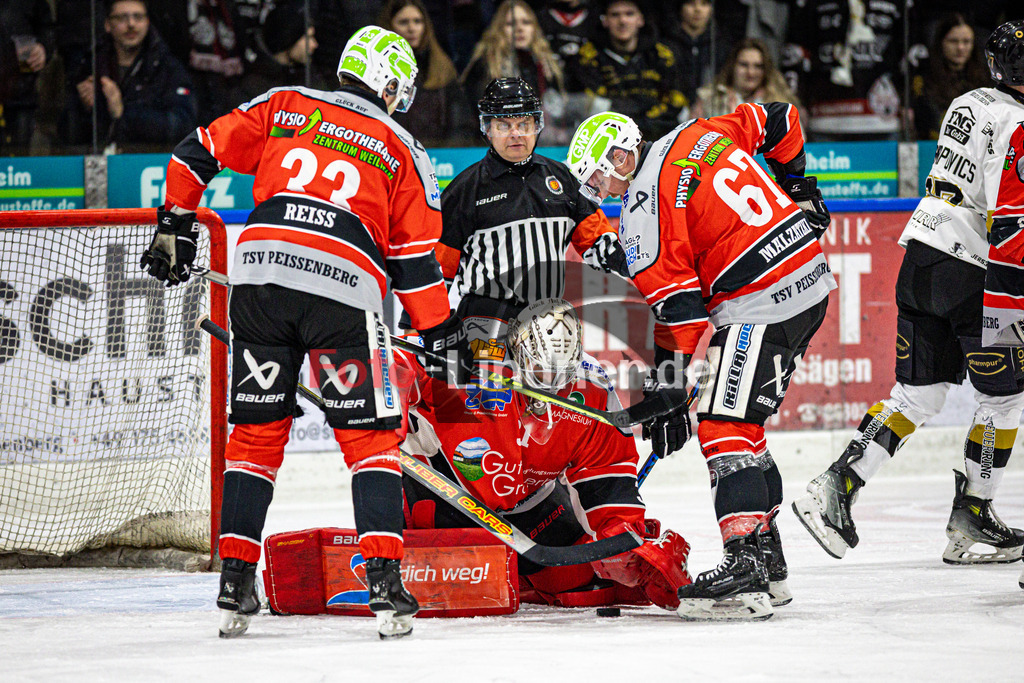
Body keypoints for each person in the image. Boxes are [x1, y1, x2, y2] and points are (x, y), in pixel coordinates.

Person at [138, 25, 470, 640]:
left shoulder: (285, 102)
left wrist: (175, 224)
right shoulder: (404, 147)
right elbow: (416, 268)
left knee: (257, 436)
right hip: (344, 296)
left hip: (259, 282)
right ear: (392, 85)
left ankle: (235, 582)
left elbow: (193, 151)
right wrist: (444, 334)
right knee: (371, 440)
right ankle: (384, 585)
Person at [566, 104, 834, 620]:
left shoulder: (643, 207)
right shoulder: (699, 131)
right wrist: (798, 185)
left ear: (623, 154)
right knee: (744, 424)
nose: (601, 188)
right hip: (807, 276)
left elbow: (680, 316)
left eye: (600, 173)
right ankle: (768, 562)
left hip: (762, 298)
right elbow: (779, 116)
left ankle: (745, 567)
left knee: (722, 423)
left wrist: (664, 390)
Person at [792, 21, 1024, 569]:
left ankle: (835, 486)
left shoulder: (968, 101)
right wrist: (1012, 301)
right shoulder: (1018, 121)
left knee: (919, 394)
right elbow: (1010, 218)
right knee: (1003, 397)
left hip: (922, 253)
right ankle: (974, 511)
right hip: (974, 270)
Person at [399, 298, 694, 610]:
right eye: (540, 370)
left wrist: (620, 535)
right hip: (442, 497)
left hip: (531, 509)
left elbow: (606, 469)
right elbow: (396, 357)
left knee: (583, 584)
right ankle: (390, 550)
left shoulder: (590, 386)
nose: (551, 385)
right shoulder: (472, 362)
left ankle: (523, 575)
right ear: (517, 352)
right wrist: (391, 392)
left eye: (561, 373)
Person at [434, 76, 627, 360]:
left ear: (537, 125)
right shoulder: (464, 189)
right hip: (484, 319)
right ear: (487, 128)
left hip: (548, 321)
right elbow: (437, 273)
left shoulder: (561, 178)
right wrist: (427, 330)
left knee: (586, 392)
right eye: (504, 125)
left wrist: (645, 271)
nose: (516, 134)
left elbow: (600, 242)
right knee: (490, 400)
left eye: (523, 124)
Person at [62, 0, 196, 150]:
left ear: (147, 22)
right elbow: (65, 133)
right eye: (121, 18)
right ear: (107, 24)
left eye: (138, 17)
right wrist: (85, 107)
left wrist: (123, 113)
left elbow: (183, 125)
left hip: (150, 164)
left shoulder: (167, 67)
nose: (131, 24)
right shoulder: (90, 64)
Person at [574, 0, 687, 140]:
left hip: (659, 137)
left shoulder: (661, 55)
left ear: (640, 20)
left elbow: (677, 102)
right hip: (608, 139)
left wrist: (648, 120)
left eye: (629, 14)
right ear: (605, 21)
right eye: (615, 15)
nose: (623, 21)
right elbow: (590, 106)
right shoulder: (588, 56)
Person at [460, 0, 567, 137]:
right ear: (499, 29)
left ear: (535, 27)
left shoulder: (547, 65)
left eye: (526, 22)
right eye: (511, 24)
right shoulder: (485, 65)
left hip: (545, 141)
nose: (519, 29)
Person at [381, 0, 473, 147]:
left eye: (417, 21)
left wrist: (446, 153)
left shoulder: (442, 67)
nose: (412, 28)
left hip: (440, 160)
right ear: (389, 26)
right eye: (404, 22)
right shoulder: (377, 71)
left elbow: (461, 124)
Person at [910, 13, 989, 141]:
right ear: (941, 42)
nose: (960, 48)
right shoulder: (923, 77)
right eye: (953, 41)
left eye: (966, 42)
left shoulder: (985, 77)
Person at [690, 38, 801, 120]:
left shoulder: (781, 103)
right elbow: (691, 136)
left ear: (766, 70)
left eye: (758, 66)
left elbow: (798, 140)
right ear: (732, 66)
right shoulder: (709, 97)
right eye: (744, 65)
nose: (750, 73)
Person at [237, 1, 319, 102]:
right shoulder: (254, 90)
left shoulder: (310, 80)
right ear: (289, 39)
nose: (314, 45)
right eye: (308, 37)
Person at [667, 0, 724, 107]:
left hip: (711, 110)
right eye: (691, 3)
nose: (697, 9)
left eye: (704, 3)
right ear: (681, 7)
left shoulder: (722, 45)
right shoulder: (665, 45)